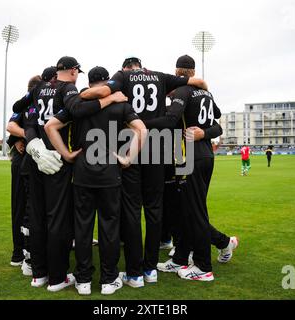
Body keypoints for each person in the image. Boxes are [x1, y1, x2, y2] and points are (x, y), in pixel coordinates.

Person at [80, 56, 208, 287]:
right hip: (158, 147)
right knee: (154, 209)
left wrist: (82, 96)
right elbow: (196, 82)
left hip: (130, 144)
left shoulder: (123, 76)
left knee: (131, 210)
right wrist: (205, 87)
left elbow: (98, 93)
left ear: (126, 67)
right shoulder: (160, 76)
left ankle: (135, 272)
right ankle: (150, 269)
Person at [46, 66, 146, 295]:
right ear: (107, 82)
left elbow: (49, 126)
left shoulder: (79, 106)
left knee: (82, 229)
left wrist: (67, 154)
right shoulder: (120, 104)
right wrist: (128, 158)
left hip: (81, 174)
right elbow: (143, 131)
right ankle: (108, 279)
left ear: (89, 84)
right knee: (109, 228)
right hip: (110, 174)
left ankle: (83, 281)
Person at [142, 54, 237, 281]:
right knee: (185, 211)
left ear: (176, 72)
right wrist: (205, 132)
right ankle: (180, 259)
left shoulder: (183, 92)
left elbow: (170, 120)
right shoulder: (205, 93)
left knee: (194, 212)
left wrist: (138, 122)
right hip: (200, 155)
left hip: (191, 157)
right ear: (193, 73)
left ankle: (204, 267)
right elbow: (216, 119)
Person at [11, 65, 84, 292]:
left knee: (37, 217)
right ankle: (56, 278)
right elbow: (78, 111)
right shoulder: (67, 89)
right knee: (57, 219)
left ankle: (39, 274)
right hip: (57, 158)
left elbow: (21, 113)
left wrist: (35, 147)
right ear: (71, 71)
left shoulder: (38, 90)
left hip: (36, 158)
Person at [6, 74, 42, 273]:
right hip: (23, 162)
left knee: (33, 208)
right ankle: (19, 253)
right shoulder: (26, 104)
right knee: (22, 207)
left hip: (34, 160)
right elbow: (10, 126)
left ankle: (32, 251)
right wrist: (26, 136)